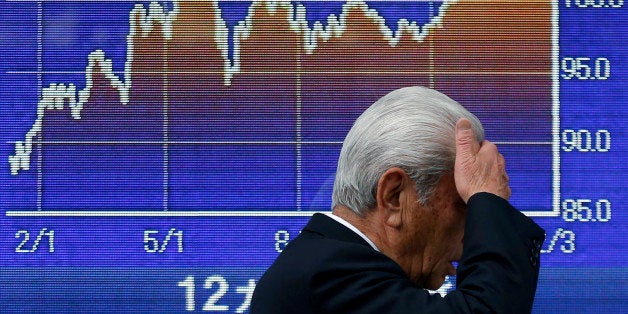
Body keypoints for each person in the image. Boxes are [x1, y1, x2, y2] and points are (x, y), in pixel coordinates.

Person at [249, 86, 545, 313]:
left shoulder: (328, 265)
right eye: (463, 205)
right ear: (393, 196)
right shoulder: (328, 276)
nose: (469, 244)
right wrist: (489, 200)